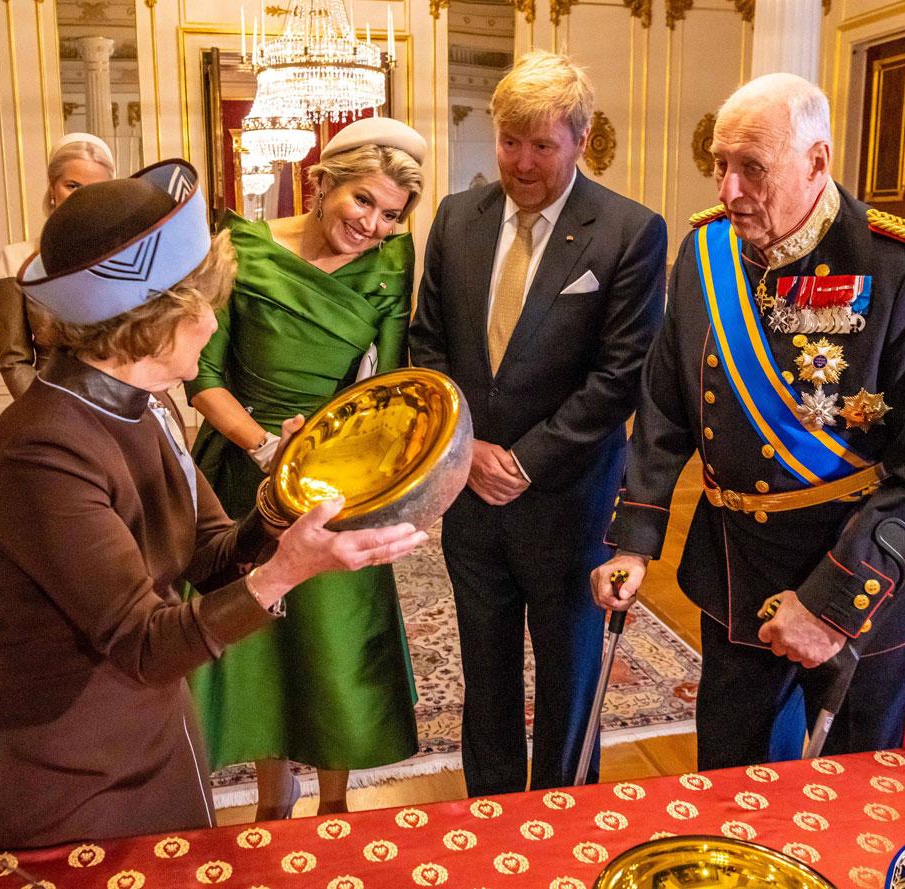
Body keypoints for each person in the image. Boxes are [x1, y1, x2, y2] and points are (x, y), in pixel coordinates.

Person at [0, 159, 426, 850]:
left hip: (150, 735)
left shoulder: (149, 410)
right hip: (63, 764)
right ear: (154, 319)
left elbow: (209, 555)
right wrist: (283, 573)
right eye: (205, 304)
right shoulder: (45, 452)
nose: (213, 325)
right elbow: (144, 642)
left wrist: (281, 498)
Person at [592, 73, 905, 770]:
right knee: (729, 770)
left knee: (858, 786)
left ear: (817, 162)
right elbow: (664, 405)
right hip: (737, 562)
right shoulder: (703, 254)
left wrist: (834, 603)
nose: (728, 190)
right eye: (720, 164)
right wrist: (633, 538)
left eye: (752, 167)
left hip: (865, 568)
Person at [408, 51, 667, 795]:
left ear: (580, 140)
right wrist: (469, 449)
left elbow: (621, 375)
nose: (521, 162)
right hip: (471, 499)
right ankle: (489, 816)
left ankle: (563, 819)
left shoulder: (629, 232)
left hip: (568, 503)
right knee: (483, 678)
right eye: (509, 142)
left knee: (568, 682)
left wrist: (521, 460)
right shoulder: (458, 218)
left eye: (541, 145)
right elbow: (427, 345)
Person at [185, 117, 426, 820]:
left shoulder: (390, 260)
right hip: (242, 467)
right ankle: (271, 796)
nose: (372, 225)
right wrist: (266, 451)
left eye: (389, 214)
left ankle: (335, 801)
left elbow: (386, 381)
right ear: (322, 180)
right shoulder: (240, 247)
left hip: (338, 476)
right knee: (258, 635)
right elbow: (201, 374)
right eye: (361, 202)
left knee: (334, 638)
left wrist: (339, 466)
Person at [0, 132, 115, 398]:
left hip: (120, 401)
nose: (84, 199)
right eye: (73, 186)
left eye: (96, 189)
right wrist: (45, 411)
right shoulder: (16, 258)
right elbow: (14, 360)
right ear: (52, 187)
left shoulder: (125, 255)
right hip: (50, 399)